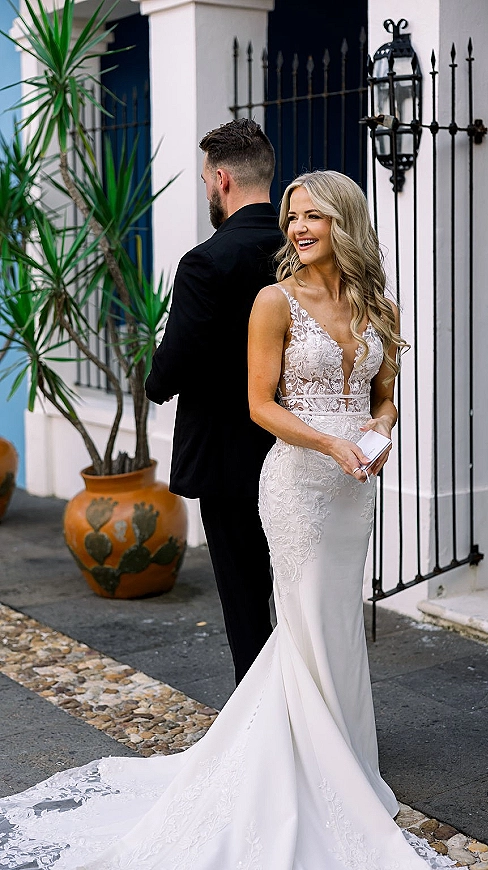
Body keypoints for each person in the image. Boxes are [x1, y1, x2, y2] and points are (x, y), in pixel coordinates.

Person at [0, 172, 453, 870]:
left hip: (352, 489)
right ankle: (306, 769)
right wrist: (331, 441)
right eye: (292, 217)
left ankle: (347, 759)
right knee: (301, 619)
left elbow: (385, 394)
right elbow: (260, 405)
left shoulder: (376, 306)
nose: (299, 228)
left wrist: (378, 432)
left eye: (315, 217)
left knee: (335, 620)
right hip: (299, 484)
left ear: (345, 222)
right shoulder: (274, 301)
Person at [145, 118, 282, 684]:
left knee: (247, 601)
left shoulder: (207, 262)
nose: (206, 190)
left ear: (222, 179)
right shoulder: (306, 252)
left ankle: (263, 729)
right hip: (302, 447)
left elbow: (174, 363)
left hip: (230, 458)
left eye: (205, 180)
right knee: (301, 596)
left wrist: (155, 378)